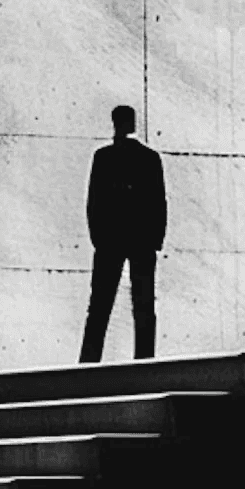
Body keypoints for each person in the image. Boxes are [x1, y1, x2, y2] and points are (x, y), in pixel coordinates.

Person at [78, 105, 167, 363]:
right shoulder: (148, 158)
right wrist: (154, 240)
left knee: (101, 307)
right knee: (142, 307)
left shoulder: (104, 157)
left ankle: (89, 362)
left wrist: (98, 237)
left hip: (113, 241)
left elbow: (94, 201)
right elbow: (158, 202)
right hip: (137, 241)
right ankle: (144, 360)